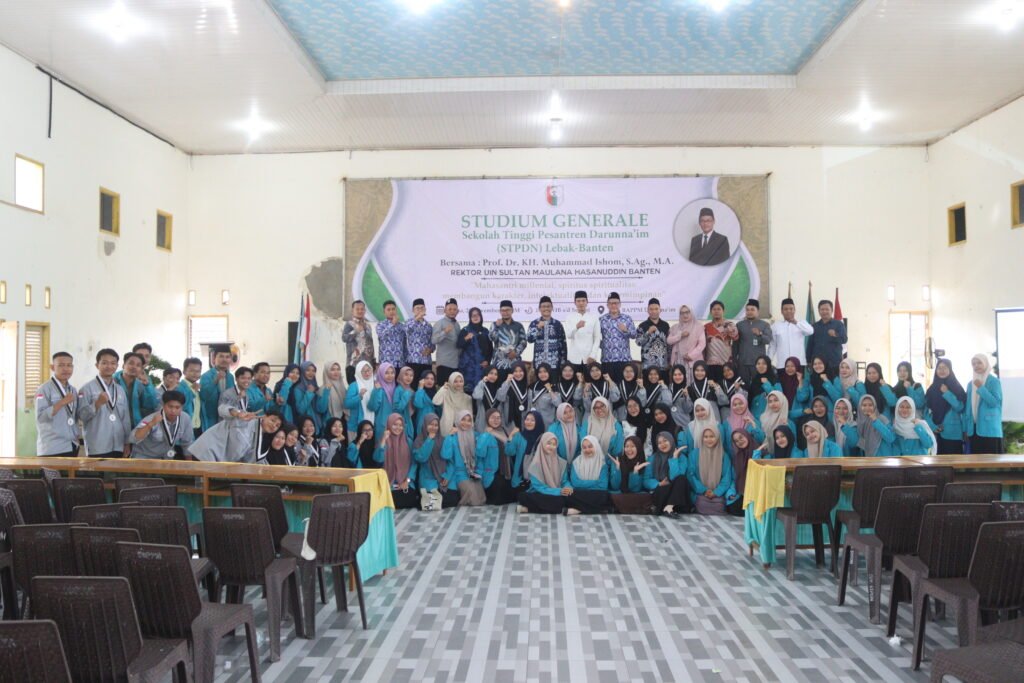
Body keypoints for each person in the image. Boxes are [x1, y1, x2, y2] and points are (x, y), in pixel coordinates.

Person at [188, 410, 283, 463]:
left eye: (277, 425)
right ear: (264, 416)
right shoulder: (246, 420)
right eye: (272, 420)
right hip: (206, 452)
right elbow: (222, 409)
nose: (274, 425)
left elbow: (249, 458)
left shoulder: (261, 436)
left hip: (218, 460)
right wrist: (237, 413)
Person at [128, 389, 194, 460]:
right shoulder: (152, 418)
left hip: (166, 458)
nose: (173, 411)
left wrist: (190, 463)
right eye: (170, 407)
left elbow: (187, 443)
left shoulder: (185, 419)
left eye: (177, 407)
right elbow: (132, 439)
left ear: (182, 407)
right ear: (163, 405)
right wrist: (151, 424)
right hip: (144, 457)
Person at [35, 351, 80, 457]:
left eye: (69, 365)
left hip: (72, 445)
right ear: (52, 367)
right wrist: (62, 402)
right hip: (52, 447)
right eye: (61, 365)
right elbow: (40, 418)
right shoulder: (44, 389)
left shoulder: (72, 390)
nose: (66, 369)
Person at [413, 414, 459, 511]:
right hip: (428, 477)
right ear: (425, 425)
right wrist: (429, 440)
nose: (433, 427)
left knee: (452, 500)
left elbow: (451, 461)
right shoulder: (419, 441)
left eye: (436, 425)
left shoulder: (443, 440)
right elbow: (422, 458)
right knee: (431, 505)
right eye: (430, 424)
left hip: (443, 476)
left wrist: (447, 476)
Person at [442, 410, 487, 506]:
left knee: (482, 499)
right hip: (459, 473)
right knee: (474, 500)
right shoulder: (453, 437)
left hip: (473, 472)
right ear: (458, 420)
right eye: (463, 419)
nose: (466, 423)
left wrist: (478, 472)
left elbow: (480, 457)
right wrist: (449, 436)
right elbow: (446, 456)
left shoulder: (476, 436)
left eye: (469, 420)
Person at [516, 433, 568, 514]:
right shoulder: (535, 465)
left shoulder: (561, 462)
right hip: (540, 493)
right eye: (548, 443)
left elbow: (565, 481)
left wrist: (568, 488)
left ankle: (527, 509)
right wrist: (558, 491)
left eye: (554, 444)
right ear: (542, 443)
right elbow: (539, 487)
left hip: (557, 492)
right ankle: (555, 508)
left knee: (561, 500)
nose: (551, 446)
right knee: (523, 496)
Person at [688, 427, 735, 515]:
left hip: (717, 494)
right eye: (706, 437)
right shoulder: (694, 454)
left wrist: (716, 492)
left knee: (719, 505)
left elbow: (727, 477)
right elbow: (691, 475)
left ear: (717, 437)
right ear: (702, 438)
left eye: (712, 436)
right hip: (699, 493)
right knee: (701, 503)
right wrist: (704, 490)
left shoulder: (724, 456)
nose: (709, 439)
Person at [925, 358, 967, 455]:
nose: (942, 370)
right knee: (939, 463)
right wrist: (932, 426)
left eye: (945, 368)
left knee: (954, 462)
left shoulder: (957, 387)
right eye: (939, 368)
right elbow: (926, 411)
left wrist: (947, 393)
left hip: (953, 434)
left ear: (950, 369)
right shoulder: (932, 389)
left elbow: (960, 407)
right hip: (936, 434)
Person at [644, 432, 692, 516]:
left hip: (678, 495)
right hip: (662, 492)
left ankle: (669, 507)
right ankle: (667, 508)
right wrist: (658, 483)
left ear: (671, 440)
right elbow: (645, 480)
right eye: (659, 443)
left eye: (665, 441)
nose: (663, 444)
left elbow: (675, 477)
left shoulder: (681, 457)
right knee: (665, 488)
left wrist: (674, 458)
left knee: (682, 479)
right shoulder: (653, 458)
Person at [377, 414, 419, 509]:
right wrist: (383, 440)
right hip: (388, 484)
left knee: (408, 499)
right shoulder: (383, 441)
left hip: (406, 484)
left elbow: (414, 463)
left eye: (400, 425)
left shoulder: (408, 441)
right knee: (389, 501)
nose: (398, 428)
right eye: (395, 424)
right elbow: (378, 460)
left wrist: (407, 481)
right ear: (389, 425)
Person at [964, 353, 1003, 454]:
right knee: (977, 462)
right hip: (973, 430)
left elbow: (995, 403)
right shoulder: (970, 384)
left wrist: (981, 388)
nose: (976, 366)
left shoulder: (993, 381)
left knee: (991, 461)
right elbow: (968, 408)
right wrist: (966, 429)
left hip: (990, 430)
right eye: (973, 364)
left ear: (985, 363)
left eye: (979, 363)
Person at [479, 408, 518, 505]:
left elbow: (511, 452)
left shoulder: (504, 431)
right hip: (492, 472)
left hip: (506, 471)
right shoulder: (484, 435)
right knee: (498, 498)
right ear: (487, 419)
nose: (496, 420)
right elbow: (480, 453)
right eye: (493, 418)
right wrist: (486, 435)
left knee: (515, 494)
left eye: (498, 418)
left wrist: (510, 437)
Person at [598, 292, 637, 382]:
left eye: (615, 303)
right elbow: (595, 337)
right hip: (607, 360)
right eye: (611, 303)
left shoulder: (627, 318)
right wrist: (603, 345)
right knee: (609, 386)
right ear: (607, 305)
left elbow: (634, 335)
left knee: (623, 386)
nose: (613, 305)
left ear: (620, 304)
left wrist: (626, 330)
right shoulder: (602, 319)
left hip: (624, 359)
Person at [116, 351, 159, 432]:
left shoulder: (141, 384)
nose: (134, 367)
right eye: (131, 363)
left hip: (135, 427)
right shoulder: (114, 381)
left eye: (138, 365)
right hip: (116, 426)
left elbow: (151, 405)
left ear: (141, 369)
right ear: (123, 365)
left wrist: (147, 386)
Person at [609, 435, 652, 514]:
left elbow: (635, 490)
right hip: (619, 493)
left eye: (632, 446)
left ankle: (620, 507)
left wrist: (635, 472)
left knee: (645, 496)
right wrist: (618, 469)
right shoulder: (617, 461)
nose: (629, 449)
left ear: (638, 448)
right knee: (612, 496)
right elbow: (615, 486)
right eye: (627, 446)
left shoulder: (643, 463)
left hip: (634, 494)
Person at [734, 299, 773, 384]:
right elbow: (735, 344)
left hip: (758, 363)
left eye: (752, 310)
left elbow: (768, 340)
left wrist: (760, 334)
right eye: (747, 310)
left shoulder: (764, 325)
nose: (749, 312)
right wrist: (734, 359)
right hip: (743, 362)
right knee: (744, 386)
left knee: (758, 385)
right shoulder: (740, 325)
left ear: (757, 311)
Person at [368, 362, 412, 437]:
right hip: (383, 426)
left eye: (392, 373)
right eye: (386, 373)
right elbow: (372, 407)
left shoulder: (396, 389)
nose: (390, 376)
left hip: (396, 426)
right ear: (381, 374)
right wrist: (377, 391)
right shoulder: (378, 389)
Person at [806, 300, 847, 377]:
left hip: (834, 364)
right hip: (818, 366)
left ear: (832, 310)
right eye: (822, 309)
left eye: (827, 309)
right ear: (819, 311)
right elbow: (810, 345)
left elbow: (844, 339)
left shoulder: (838, 324)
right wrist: (808, 361)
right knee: (817, 384)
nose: (824, 311)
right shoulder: (814, 326)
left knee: (834, 384)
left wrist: (835, 335)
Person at [564, 290, 601, 375]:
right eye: (578, 301)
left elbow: (597, 338)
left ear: (587, 302)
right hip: (574, 358)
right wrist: (576, 327)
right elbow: (569, 335)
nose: (581, 303)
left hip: (589, 357)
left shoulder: (593, 317)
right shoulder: (570, 317)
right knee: (576, 381)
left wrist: (592, 355)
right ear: (575, 302)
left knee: (589, 381)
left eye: (583, 301)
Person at [198, 344, 234, 431]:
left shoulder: (230, 377)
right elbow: (203, 396)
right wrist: (215, 380)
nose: (224, 360)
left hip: (226, 418)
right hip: (210, 418)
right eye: (221, 356)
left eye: (227, 357)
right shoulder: (206, 376)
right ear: (214, 358)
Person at [488, 300, 527, 380]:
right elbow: (492, 338)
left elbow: (523, 341)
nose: (505, 312)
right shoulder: (495, 324)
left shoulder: (518, 326)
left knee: (515, 385)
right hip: (499, 363)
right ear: (500, 311)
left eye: (507, 310)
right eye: (503, 310)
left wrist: (516, 352)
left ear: (512, 310)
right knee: (500, 385)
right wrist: (497, 327)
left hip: (515, 363)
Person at [770, 298, 813, 368]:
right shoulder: (775, 326)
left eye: (791, 309)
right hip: (782, 364)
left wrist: (796, 323)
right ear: (781, 311)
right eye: (786, 309)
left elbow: (810, 331)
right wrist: (768, 360)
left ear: (794, 310)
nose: (788, 311)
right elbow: (772, 345)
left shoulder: (801, 323)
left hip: (799, 363)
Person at [510, 410, 546, 493]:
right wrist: (511, 436)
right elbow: (510, 452)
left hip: (539, 478)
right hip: (520, 479)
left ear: (538, 422)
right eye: (527, 419)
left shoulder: (543, 438)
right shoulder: (519, 436)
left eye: (532, 420)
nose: (529, 422)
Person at [667, 304, 706, 380]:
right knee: (679, 381)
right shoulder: (675, 327)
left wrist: (691, 355)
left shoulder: (698, 326)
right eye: (682, 313)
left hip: (692, 360)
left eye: (687, 312)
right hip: (678, 359)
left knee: (692, 380)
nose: (685, 315)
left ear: (691, 313)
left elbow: (702, 344)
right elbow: (669, 341)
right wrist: (680, 335)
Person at [456, 306, 491, 391]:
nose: (475, 317)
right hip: (468, 368)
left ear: (481, 316)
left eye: (477, 315)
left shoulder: (485, 331)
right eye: (473, 315)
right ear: (470, 318)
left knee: (480, 391)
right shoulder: (465, 330)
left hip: (481, 367)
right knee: (468, 391)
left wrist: (487, 361)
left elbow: (490, 349)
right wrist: (466, 338)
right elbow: (458, 344)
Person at [703, 300, 738, 383]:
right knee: (712, 387)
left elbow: (736, 337)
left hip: (726, 364)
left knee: (726, 387)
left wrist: (729, 330)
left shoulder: (729, 324)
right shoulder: (706, 327)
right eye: (714, 309)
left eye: (719, 309)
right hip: (711, 363)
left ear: (723, 311)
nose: (716, 311)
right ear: (710, 312)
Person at [527, 295, 566, 368]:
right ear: (539, 308)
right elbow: (529, 340)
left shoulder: (557, 324)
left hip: (554, 363)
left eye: (548, 306)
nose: (546, 308)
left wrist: (563, 363)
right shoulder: (534, 323)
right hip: (539, 363)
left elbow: (563, 344)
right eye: (544, 306)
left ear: (552, 308)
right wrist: (538, 328)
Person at [342, 300, 375, 384]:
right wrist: (355, 331)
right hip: (353, 364)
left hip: (367, 366)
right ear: (352, 311)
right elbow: (344, 338)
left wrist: (373, 362)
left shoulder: (368, 326)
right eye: (357, 309)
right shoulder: (349, 324)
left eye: (362, 309)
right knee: (354, 389)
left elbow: (370, 344)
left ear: (365, 311)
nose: (360, 311)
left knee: (367, 390)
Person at [432, 298, 462, 386]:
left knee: (454, 390)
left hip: (455, 364)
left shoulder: (457, 324)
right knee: (444, 391)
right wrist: (445, 332)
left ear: (457, 311)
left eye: (454, 309)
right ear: (445, 310)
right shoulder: (440, 323)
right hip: (444, 364)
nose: (452, 311)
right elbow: (434, 340)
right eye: (450, 309)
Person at [726, 430, 757, 516]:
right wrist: (731, 493)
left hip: (757, 493)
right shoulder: (737, 457)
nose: (739, 441)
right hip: (742, 493)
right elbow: (734, 478)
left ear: (747, 436)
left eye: (741, 437)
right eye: (736, 441)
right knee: (733, 506)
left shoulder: (762, 453)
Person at [404, 298, 435, 382]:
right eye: (417, 308)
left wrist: (430, 349)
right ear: (413, 310)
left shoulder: (428, 325)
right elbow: (406, 331)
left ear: (425, 309)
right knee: (413, 385)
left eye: (422, 308)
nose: (420, 310)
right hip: (413, 361)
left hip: (426, 361)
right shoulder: (408, 322)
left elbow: (433, 343)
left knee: (426, 385)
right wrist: (416, 318)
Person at [344, 361, 376, 439]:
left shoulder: (375, 385)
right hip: (355, 426)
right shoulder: (354, 385)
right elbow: (347, 404)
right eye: (363, 371)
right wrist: (359, 396)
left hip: (371, 425)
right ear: (358, 372)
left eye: (368, 370)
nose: (367, 373)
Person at [637, 298, 671, 372]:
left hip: (663, 366)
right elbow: (638, 342)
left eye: (656, 309)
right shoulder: (642, 325)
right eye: (651, 309)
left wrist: (669, 361)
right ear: (648, 310)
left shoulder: (665, 325)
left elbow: (669, 344)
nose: (654, 311)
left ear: (660, 310)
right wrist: (648, 332)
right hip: (647, 366)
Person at [471, 366, 507, 432]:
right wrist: (482, 382)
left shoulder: (498, 388)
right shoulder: (481, 386)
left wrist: (507, 382)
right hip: (482, 421)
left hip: (495, 422)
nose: (493, 376)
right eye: (491, 373)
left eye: (496, 374)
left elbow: (502, 398)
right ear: (486, 374)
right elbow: (476, 396)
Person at [376, 299, 407, 369]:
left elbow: (404, 344)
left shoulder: (401, 326)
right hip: (386, 363)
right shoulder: (380, 325)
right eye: (388, 310)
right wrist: (392, 324)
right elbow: (381, 336)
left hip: (400, 363)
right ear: (384, 312)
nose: (391, 311)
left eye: (393, 309)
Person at [412, 370, 441, 437]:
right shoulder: (419, 392)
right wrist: (420, 388)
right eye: (427, 378)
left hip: (434, 423)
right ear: (422, 380)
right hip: (422, 422)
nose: (429, 381)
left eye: (432, 379)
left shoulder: (436, 393)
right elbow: (418, 404)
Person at [665, 364, 695, 428]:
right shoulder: (668, 388)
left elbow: (688, 410)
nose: (677, 377)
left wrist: (686, 397)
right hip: (670, 425)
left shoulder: (689, 389)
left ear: (684, 375)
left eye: (680, 374)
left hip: (683, 425)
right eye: (675, 375)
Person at [180, 358, 203, 438]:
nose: (195, 374)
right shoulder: (180, 387)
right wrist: (192, 391)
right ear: (184, 372)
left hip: (198, 427)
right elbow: (182, 406)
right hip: (184, 428)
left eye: (198, 371)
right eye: (192, 371)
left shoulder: (197, 387)